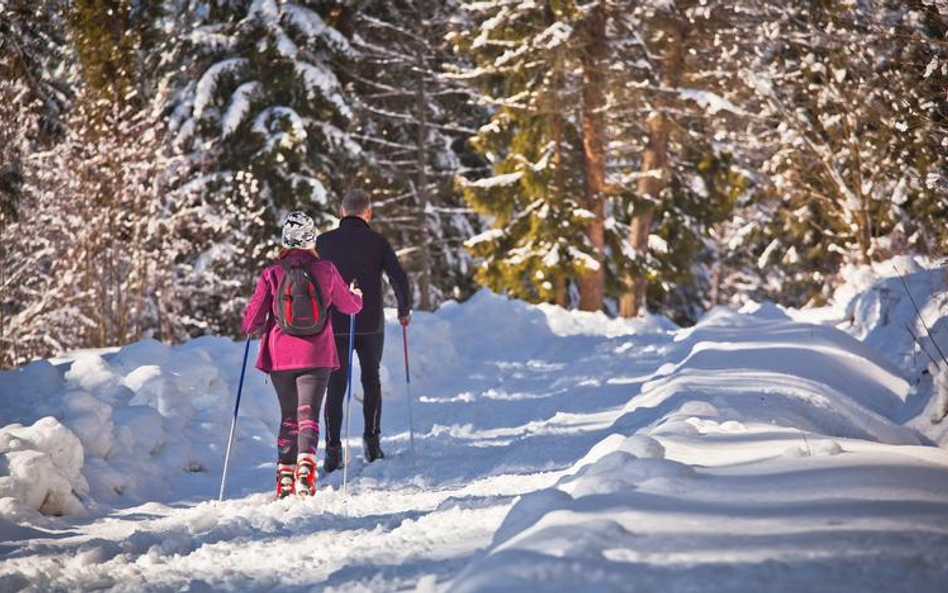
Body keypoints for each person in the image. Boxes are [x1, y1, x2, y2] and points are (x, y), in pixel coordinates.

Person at [242, 211, 363, 499]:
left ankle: (284, 477)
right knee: (308, 414)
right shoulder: (326, 270)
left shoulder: (272, 273)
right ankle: (305, 474)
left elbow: (251, 322)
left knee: (288, 417)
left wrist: (252, 319)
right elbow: (351, 307)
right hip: (317, 355)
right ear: (312, 239)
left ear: (284, 239)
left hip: (280, 357)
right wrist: (357, 294)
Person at [317, 189, 411, 471]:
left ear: (341, 212)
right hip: (370, 324)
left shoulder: (323, 242)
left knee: (335, 385)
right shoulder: (377, 241)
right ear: (368, 213)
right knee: (371, 380)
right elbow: (398, 277)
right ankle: (372, 443)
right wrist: (403, 310)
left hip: (335, 324)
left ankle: (332, 451)